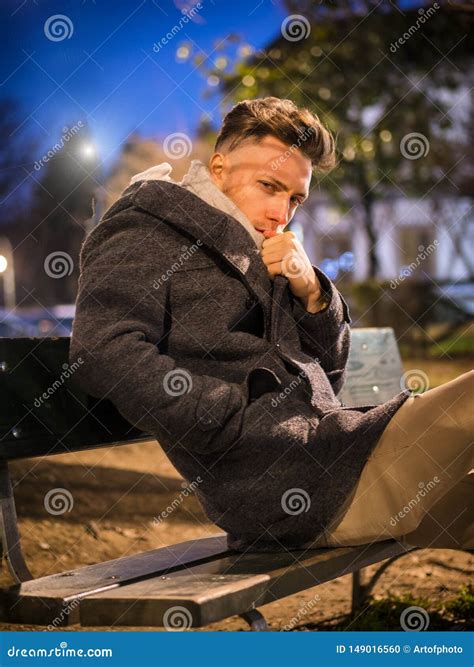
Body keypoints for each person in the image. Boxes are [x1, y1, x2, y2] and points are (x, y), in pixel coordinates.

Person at [69, 97, 473, 553]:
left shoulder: (264, 245)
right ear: (218, 168)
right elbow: (101, 351)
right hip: (275, 483)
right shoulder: (147, 229)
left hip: (335, 450)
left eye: (295, 199)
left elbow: (331, 377)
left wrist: (313, 293)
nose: (283, 213)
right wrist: (225, 417)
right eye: (269, 185)